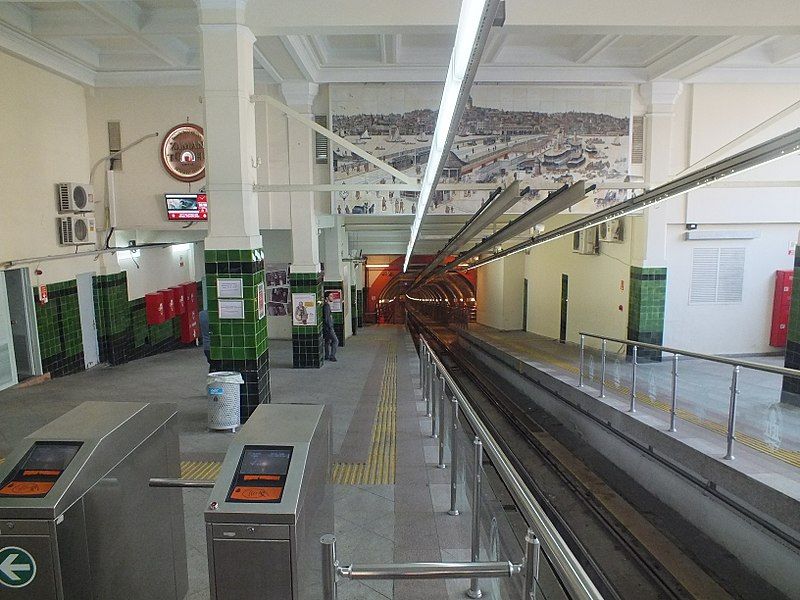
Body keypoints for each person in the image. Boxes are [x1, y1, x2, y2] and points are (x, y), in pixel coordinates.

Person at [322, 291, 338, 362]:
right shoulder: (326, 306)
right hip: (329, 327)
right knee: (335, 341)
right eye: (331, 296)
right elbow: (327, 318)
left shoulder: (325, 305)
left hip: (326, 327)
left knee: (327, 341)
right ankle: (332, 356)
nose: (332, 297)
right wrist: (330, 326)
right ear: (327, 298)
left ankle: (327, 355)